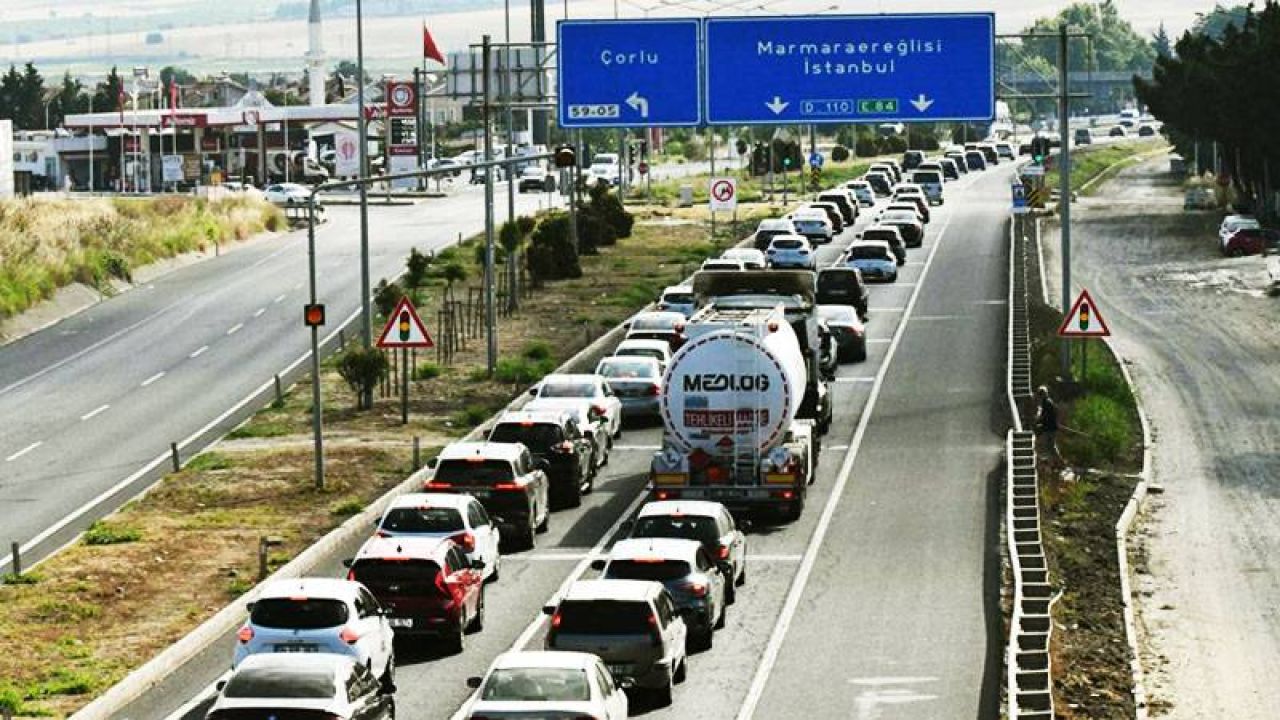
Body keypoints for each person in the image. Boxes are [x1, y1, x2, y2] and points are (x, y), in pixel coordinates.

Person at [1034, 385, 1060, 461]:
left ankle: (1056, 462)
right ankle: (1056, 462)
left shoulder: (1047, 403)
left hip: (1050, 428)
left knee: (1049, 446)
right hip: (1050, 427)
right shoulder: (1047, 402)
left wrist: (1038, 422)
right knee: (1050, 446)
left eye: (1040, 394)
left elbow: (1045, 416)